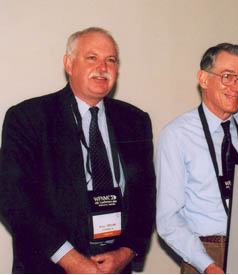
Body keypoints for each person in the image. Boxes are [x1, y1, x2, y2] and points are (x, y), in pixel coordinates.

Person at [0, 27, 156, 273]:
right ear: (69, 64)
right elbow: (14, 199)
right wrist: (69, 258)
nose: (103, 67)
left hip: (114, 265)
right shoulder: (28, 118)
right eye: (92, 58)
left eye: (111, 60)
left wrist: (127, 252)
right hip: (49, 264)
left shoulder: (135, 121)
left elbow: (146, 196)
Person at [156, 43, 238, 274]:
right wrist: (206, 265)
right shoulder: (177, 134)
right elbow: (168, 219)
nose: (237, 87)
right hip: (206, 252)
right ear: (204, 79)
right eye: (227, 76)